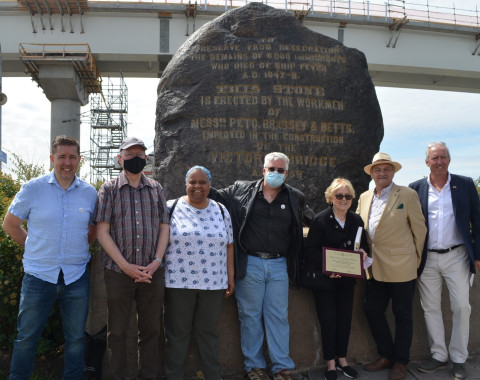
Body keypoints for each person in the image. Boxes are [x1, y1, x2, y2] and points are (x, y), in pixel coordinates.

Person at [209, 152, 313, 380]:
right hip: (250, 263)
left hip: (279, 265)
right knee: (250, 316)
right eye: (271, 169)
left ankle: (281, 367)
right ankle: (254, 366)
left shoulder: (295, 197)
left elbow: (314, 222)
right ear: (263, 170)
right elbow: (211, 194)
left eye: (281, 170)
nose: (276, 173)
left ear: (287, 173)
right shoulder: (240, 190)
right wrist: (199, 178)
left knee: (278, 317)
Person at [2, 135, 97, 380]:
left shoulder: (89, 193)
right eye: (62, 157)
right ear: (52, 159)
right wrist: (33, 246)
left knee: (76, 340)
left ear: (79, 159)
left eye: (73, 157)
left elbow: (94, 229)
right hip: (38, 276)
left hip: (76, 277)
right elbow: (10, 224)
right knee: (26, 339)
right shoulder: (33, 188)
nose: (68, 162)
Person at [95, 136, 169, 380]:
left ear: (146, 158)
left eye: (139, 155)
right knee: (117, 332)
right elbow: (102, 231)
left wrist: (156, 261)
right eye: (129, 155)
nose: (135, 159)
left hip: (151, 271)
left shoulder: (156, 188)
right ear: (120, 159)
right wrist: (125, 266)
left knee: (152, 331)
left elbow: (164, 227)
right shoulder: (108, 190)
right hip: (118, 272)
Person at [409, 142, 480, 380]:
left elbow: (477, 221)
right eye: (434, 157)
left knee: (462, 306)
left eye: (443, 157)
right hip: (427, 258)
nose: (439, 161)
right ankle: (438, 355)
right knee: (430, 308)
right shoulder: (415, 188)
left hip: (457, 255)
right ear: (426, 162)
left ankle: (459, 358)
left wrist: (477, 254)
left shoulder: (466, 184)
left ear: (449, 159)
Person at [356, 152, 427, 380]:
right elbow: (358, 228)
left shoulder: (407, 194)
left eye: (386, 169)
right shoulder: (364, 197)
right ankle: (386, 354)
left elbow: (420, 231)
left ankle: (400, 362)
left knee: (403, 315)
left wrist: (414, 262)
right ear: (372, 173)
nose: (382, 173)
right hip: (373, 267)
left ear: (393, 172)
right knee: (373, 310)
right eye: (377, 169)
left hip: (402, 267)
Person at [164, 165, 235, 380]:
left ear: (209, 185)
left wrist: (230, 277)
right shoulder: (170, 207)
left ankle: (213, 376)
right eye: (192, 182)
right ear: (185, 184)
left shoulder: (221, 210)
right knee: (177, 335)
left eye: (202, 182)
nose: (197, 186)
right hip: (178, 284)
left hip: (213, 284)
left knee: (208, 335)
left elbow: (229, 245)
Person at [303, 178, 368, 380]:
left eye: (348, 196)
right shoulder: (320, 220)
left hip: (347, 281)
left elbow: (362, 245)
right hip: (325, 281)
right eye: (339, 195)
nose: (343, 199)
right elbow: (311, 250)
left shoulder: (357, 221)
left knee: (344, 321)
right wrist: (326, 267)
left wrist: (364, 252)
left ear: (352, 199)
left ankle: (343, 359)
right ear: (331, 197)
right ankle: (330, 362)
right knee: (328, 320)